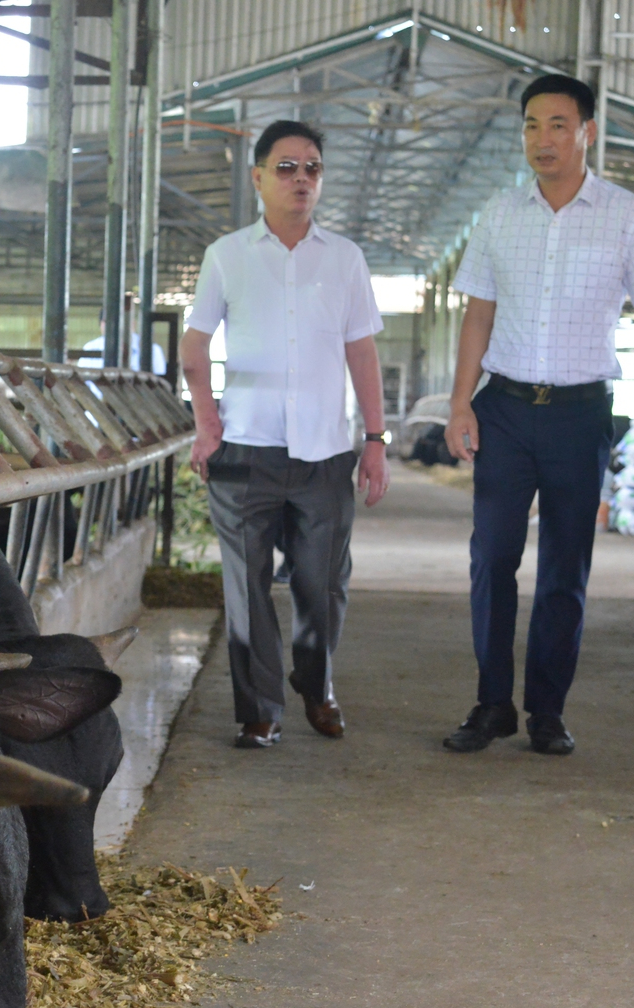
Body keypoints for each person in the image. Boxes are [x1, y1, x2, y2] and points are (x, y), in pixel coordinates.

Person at [441, 74, 634, 756]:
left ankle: (547, 711)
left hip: (581, 417)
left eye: (556, 125)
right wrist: (461, 400)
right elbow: (478, 312)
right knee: (491, 557)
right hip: (507, 410)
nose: (541, 140)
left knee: (565, 569)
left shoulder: (627, 214)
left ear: (587, 133)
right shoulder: (499, 214)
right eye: (530, 126)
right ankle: (492, 704)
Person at [179, 120, 390, 749]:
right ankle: (260, 709)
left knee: (322, 583)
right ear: (259, 177)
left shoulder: (344, 258)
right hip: (245, 449)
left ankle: (316, 683)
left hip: (325, 454)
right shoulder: (228, 255)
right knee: (246, 587)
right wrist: (207, 422)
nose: (302, 179)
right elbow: (194, 348)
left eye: (313, 168)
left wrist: (375, 441)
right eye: (287, 167)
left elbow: (363, 355)